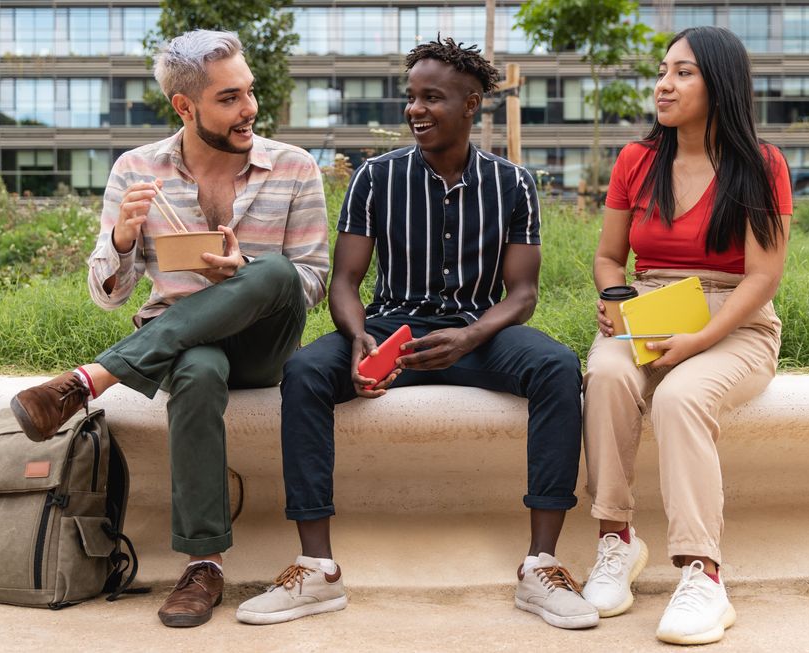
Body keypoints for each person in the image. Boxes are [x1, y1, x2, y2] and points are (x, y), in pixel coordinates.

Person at [235, 37, 596, 630]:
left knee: (556, 366)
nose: (415, 109)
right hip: (390, 330)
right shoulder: (375, 177)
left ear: (471, 104)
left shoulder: (513, 184)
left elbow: (523, 295)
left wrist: (469, 337)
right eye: (411, 97)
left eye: (432, 97)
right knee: (304, 371)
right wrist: (358, 338)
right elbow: (345, 282)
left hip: (479, 331)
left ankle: (541, 565)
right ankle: (317, 568)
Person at [8, 30, 329, 628]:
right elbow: (109, 295)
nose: (250, 108)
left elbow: (310, 281)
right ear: (185, 106)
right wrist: (121, 238)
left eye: (249, 92)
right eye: (229, 98)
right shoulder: (136, 169)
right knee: (198, 372)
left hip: (263, 343)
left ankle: (89, 380)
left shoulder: (294, 166)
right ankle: (203, 565)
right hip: (183, 346)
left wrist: (243, 272)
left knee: (275, 272)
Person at [579, 27, 792, 645]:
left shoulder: (762, 165)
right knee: (607, 375)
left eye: (683, 72)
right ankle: (616, 541)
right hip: (649, 305)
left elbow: (762, 278)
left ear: (720, 84)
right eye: (662, 71)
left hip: (735, 320)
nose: (663, 85)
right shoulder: (636, 160)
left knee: (679, 396)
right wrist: (615, 300)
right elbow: (609, 258)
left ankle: (703, 575)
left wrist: (696, 341)